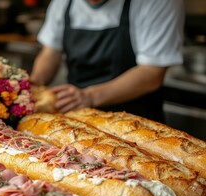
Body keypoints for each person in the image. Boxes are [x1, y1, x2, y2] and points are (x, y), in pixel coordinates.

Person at [30, 0, 184, 122]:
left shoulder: (158, 3)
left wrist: (89, 96)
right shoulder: (63, 3)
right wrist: (34, 83)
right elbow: (50, 53)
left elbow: (152, 73)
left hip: (135, 121)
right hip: (76, 119)